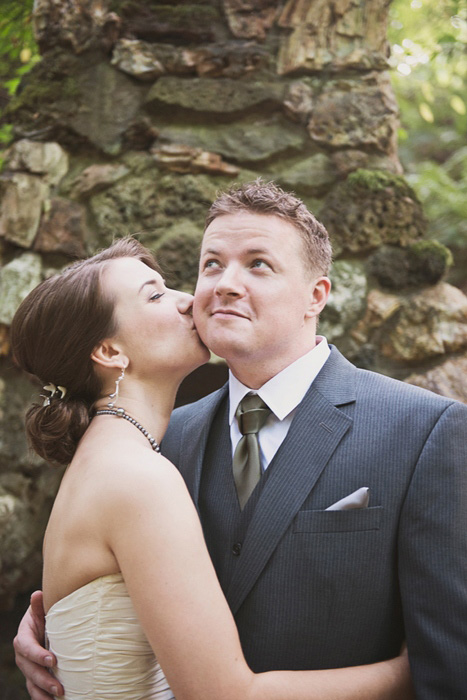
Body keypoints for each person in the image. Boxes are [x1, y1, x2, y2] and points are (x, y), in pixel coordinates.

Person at [10, 236, 413, 700]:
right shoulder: (137, 477)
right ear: (109, 352)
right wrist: (410, 670)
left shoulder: (116, 457)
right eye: (156, 294)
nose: (189, 302)